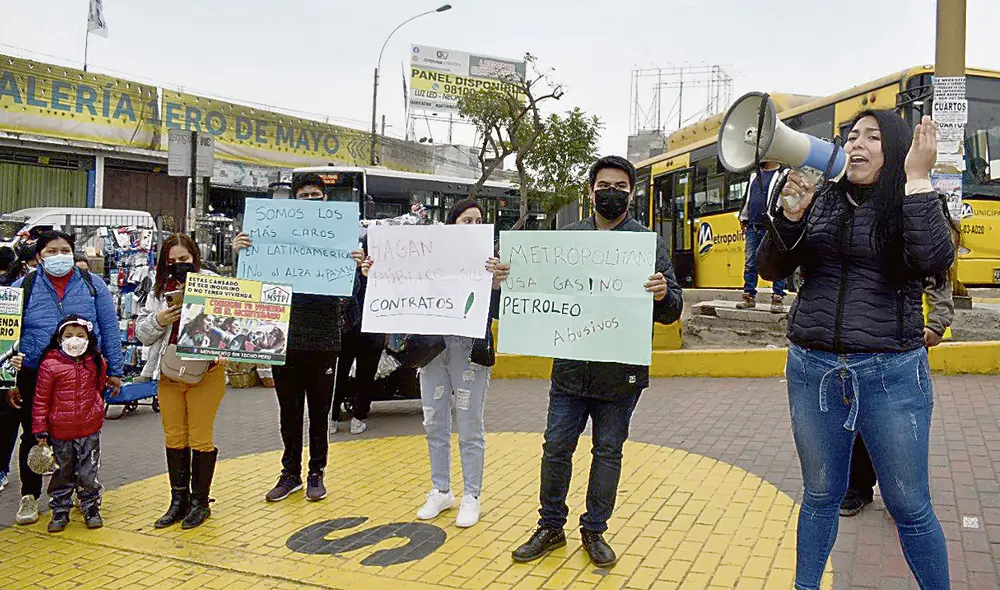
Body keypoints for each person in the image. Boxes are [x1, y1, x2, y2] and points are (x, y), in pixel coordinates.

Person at [757, 112, 953, 589]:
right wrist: (790, 217)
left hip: (892, 373)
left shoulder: (913, 200)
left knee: (909, 504)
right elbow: (770, 269)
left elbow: (932, 259)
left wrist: (918, 180)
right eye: (851, 136)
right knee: (820, 495)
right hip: (813, 370)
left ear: (898, 150)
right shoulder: (821, 198)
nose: (856, 144)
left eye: (873, 136)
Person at [511, 156, 683, 568]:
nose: (611, 193)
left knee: (608, 452)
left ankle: (594, 530)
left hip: (621, 374)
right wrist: (509, 279)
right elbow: (537, 293)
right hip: (570, 370)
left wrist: (663, 295)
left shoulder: (648, 244)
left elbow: (673, 309)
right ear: (590, 192)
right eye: (604, 186)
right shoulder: (567, 239)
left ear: (632, 193)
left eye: (620, 187)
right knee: (556, 448)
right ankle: (550, 526)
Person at [360, 199, 509, 528]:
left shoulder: (489, 264)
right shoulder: (427, 255)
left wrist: (496, 284)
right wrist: (374, 272)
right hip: (431, 352)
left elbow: (498, 311)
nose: (473, 226)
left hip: (469, 351)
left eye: (479, 221)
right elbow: (397, 283)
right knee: (434, 421)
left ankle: (472, 495)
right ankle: (441, 490)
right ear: (451, 225)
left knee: (470, 424)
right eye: (466, 221)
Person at [233, 172, 364, 503]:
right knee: (288, 412)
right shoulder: (273, 234)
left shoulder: (341, 239)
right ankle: (289, 473)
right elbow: (250, 285)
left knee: (320, 413)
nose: (310, 200)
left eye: (316, 195)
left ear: (325, 200)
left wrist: (356, 268)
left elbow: (350, 293)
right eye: (303, 195)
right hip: (282, 336)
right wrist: (242, 254)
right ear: (294, 201)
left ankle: (316, 472)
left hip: (324, 338)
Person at [841, 195, 959, 518]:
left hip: (905, 345)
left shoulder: (922, 205)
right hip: (862, 340)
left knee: (903, 427)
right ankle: (858, 487)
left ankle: (906, 498)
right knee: (859, 420)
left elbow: (938, 277)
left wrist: (936, 323)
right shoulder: (859, 205)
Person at [3, 230, 122, 526]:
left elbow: (109, 327)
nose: (59, 256)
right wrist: (9, 379)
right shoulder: (22, 287)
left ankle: (85, 491)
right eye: (52, 251)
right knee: (33, 435)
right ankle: (30, 495)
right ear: (39, 256)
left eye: (65, 250)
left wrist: (115, 371)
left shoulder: (93, 285)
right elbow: (6, 335)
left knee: (83, 436)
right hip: (34, 373)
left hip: (84, 373)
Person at [136, 233, 225, 529]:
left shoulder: (213, 283)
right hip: (169, 371)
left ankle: (200, 502)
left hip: (206, 371)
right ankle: (178, 500)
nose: (178, 265)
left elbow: (232, 324)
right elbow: (142, 333)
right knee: (174, 436)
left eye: (183, 259)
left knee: (200, 436)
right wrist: (160, 319)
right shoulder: (158, 288)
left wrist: (225, 350)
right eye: (171, 261)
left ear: (195, 257)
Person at [32, 315, 110, 532]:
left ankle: (91, 507)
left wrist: (96, 410)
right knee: (62, 472)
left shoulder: (95, 362)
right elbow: (41, 400)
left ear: (89, 338)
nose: (74, 340)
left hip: (89, 429)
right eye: (68, 335)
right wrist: (40, 430)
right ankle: (60, 510)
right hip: (60, 432)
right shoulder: (50, 365)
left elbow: (99, 387)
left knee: (88, 472)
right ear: (59, 339)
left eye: (80, 335)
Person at [738, 161, 788, 312]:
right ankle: (748, 296)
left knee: (776, 261)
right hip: (753, 226)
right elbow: (747, 198)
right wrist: (743, 218)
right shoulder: (754, 175)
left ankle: (778, 297)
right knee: (750, 263)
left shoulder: (784, 173)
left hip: (773, 226)